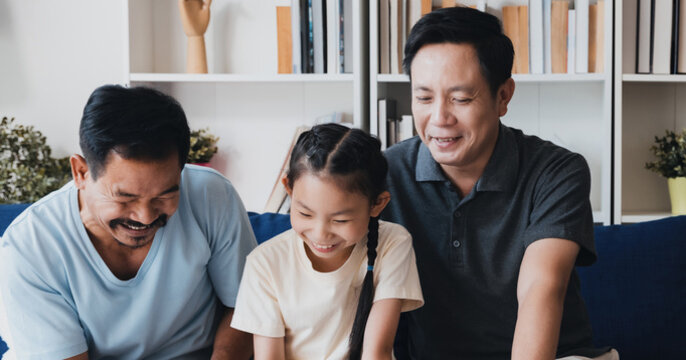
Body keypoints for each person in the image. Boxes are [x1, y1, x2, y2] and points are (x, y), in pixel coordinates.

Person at [382, 7, 616, 360]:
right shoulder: (384, 173)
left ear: (503, 96)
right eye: (424, 98)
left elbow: (542, 287)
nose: (440, 118)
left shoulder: (557, 171)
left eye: (460, 98)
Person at [0, 85, 255, 359]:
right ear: (81, 172)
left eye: (165, 195)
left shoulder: (211, 196)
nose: (145, 217)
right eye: (125, 198)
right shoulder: (29, 248)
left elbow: (249, 307)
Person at [231, 123, 423, 360]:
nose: (321, 234)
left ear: (377, 204)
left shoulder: (393, 243)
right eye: (305, 214)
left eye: (340, 220)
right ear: (289, 190)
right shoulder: (264, 263)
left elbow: (377, 352)